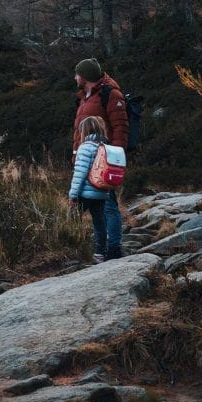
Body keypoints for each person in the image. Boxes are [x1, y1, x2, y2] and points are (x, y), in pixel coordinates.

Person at [73, 58, 128, 260]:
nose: (75, 77)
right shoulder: (85, 97)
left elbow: (121, 127)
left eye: (77, 74)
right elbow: (78, 129)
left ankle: (113, 249)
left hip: (104, 161)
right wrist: (75, 153)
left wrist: (114, 157)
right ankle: (96, 248)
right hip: (86, 158)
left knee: (108, 205)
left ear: (85, 76)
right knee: (92, 206)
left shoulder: (110, 94)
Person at [68, 115, 109, 264]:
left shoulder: (85, 147)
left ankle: (73, 251)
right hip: (101, 192)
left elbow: (80, 174)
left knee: (71, 220)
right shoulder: (104, 146)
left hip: (85, 193)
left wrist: (73, 195)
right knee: (99, 223)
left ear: (84, 130)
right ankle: (100, 254)